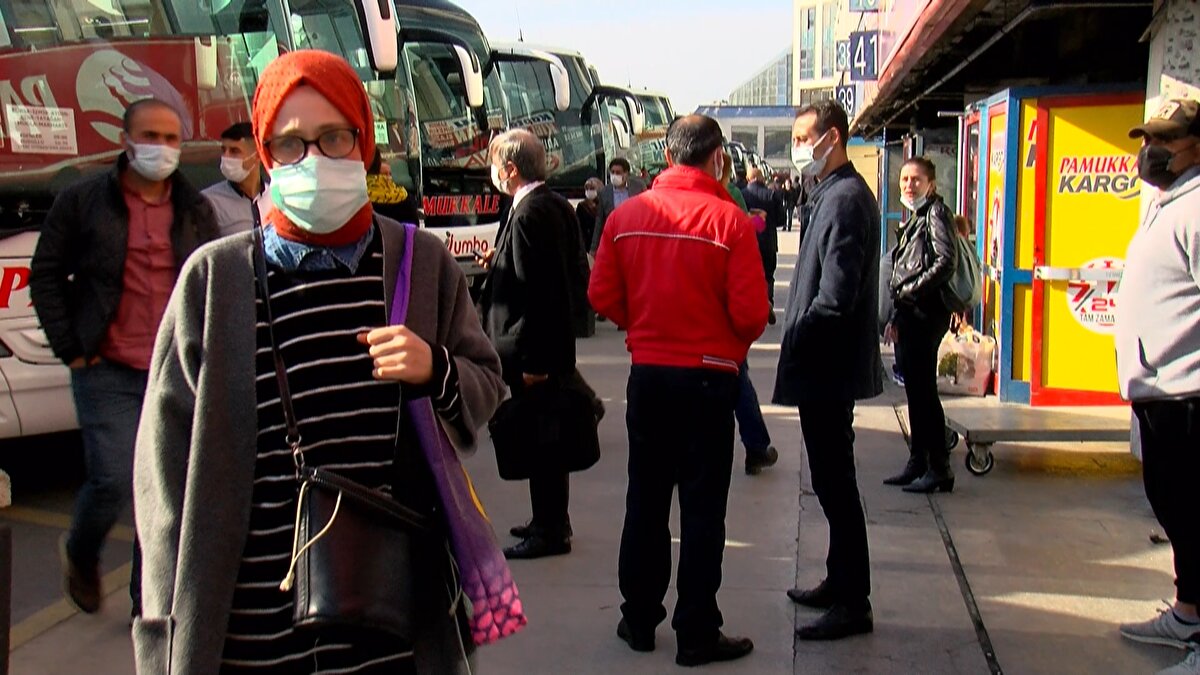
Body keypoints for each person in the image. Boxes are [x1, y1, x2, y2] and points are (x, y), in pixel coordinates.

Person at [131, 50, 506, 673]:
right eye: (290, 144)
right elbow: (163, 483)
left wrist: (435, 369)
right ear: (265, 153)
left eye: (334, 136)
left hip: (389, 626)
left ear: (364, 141)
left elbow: (486, 382)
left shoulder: (420, 265)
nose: (313, 159)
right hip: (250, 635)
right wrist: (164, 636)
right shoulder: (215, 281)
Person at [29, 98, 218, 618]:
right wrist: (71, 348)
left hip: (173, 367)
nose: (161, 148)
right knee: (113, 478)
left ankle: (147, 600)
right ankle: (80, 551)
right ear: (126, 141)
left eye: (171, 138)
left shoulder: (194, 209)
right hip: (106, 368)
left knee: (165, 490)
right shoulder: (84, 201)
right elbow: (46, 273)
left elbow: (212, 282)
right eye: (150, 136)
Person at [590, 114, 768, 667]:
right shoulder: (730, 221)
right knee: (702, 508)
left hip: (649, 376)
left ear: (667, 156)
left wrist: (644, 327)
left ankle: (639, 619)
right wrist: (722, 344)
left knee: (645, 500)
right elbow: (752, 314)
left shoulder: (625, 217)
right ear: (718, 158)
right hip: (709, 380)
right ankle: (696, 630)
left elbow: (601, 294)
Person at [775, 100, 883, 641]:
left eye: (803, 138)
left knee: (837, 485)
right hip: (824, 368)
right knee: (829, 481)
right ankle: (839, 581)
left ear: (831, 137)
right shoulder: (829, 193)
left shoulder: (845, 200)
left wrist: (800, 337)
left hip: (828, 369)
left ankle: (853, 601)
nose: (798, 148)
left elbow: (835, 297)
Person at [1115, 98, 1200, 675]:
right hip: (1160, 390)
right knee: (1175, 507)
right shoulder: (1169, 203)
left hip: (1187, 392)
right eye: (1147, 139)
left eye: (1164, 140)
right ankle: (1188, 614)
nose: (1150, 151)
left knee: (1193, 511)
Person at [478, 129, 589, 560]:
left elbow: (542, 291)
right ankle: (549, 518)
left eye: (494, 165)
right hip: (543, 348)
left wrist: (537, 361)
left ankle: (549, 530)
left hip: (535, 353)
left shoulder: (531, 213)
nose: (492, 173)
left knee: (543, 441)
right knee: (545, 438)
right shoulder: (551, 205)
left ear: (510, 169)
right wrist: (499, 262)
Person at [882, 157, 958, 493]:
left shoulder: (936, 214)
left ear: (931, 184)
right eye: (904, 180)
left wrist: (911, 290)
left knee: (924, 393)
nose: (909, 186)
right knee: (915, 390)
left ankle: (939, 467)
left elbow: (945, 260)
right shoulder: (917, 217)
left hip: (926, 314)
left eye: (916, 180)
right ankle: (918, 460)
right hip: (910, 313)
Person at [202, 122, 266, 237]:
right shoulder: (209, 202)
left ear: (257, 156)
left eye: (234, 151)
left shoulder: (276, 198)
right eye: (223, 150)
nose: (226, 157)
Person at [742, 166, 782, 326]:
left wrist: (754, 218)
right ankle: (768, 301)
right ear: (761, 178)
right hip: (768, 240)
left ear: (748, 178)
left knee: (750, 275)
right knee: (768, 274)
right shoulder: (771, 194)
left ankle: (753, 306)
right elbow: (780, 219)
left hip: (749, 242)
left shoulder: (743, 194)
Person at [590, 157, 646, 253]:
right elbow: (599, 221)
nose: (615, 175)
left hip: (635, 236)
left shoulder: (638, 188)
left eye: (618, 172)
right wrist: (594, 248)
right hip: (614, 238)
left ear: (626, 174)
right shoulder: (605, 193)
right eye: (612, 172)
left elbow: (646, 212)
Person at [367, 147, 420, 225]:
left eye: (390, 174)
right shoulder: (365, 199)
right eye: (384, 174)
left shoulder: (403, 196)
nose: (388, 178)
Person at [575, 176, 604, 252]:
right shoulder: (582, 206)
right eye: (587, 189)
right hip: (587, 243)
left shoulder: (603, 204)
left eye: (592, 188)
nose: (589, 191)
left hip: (601, 241)